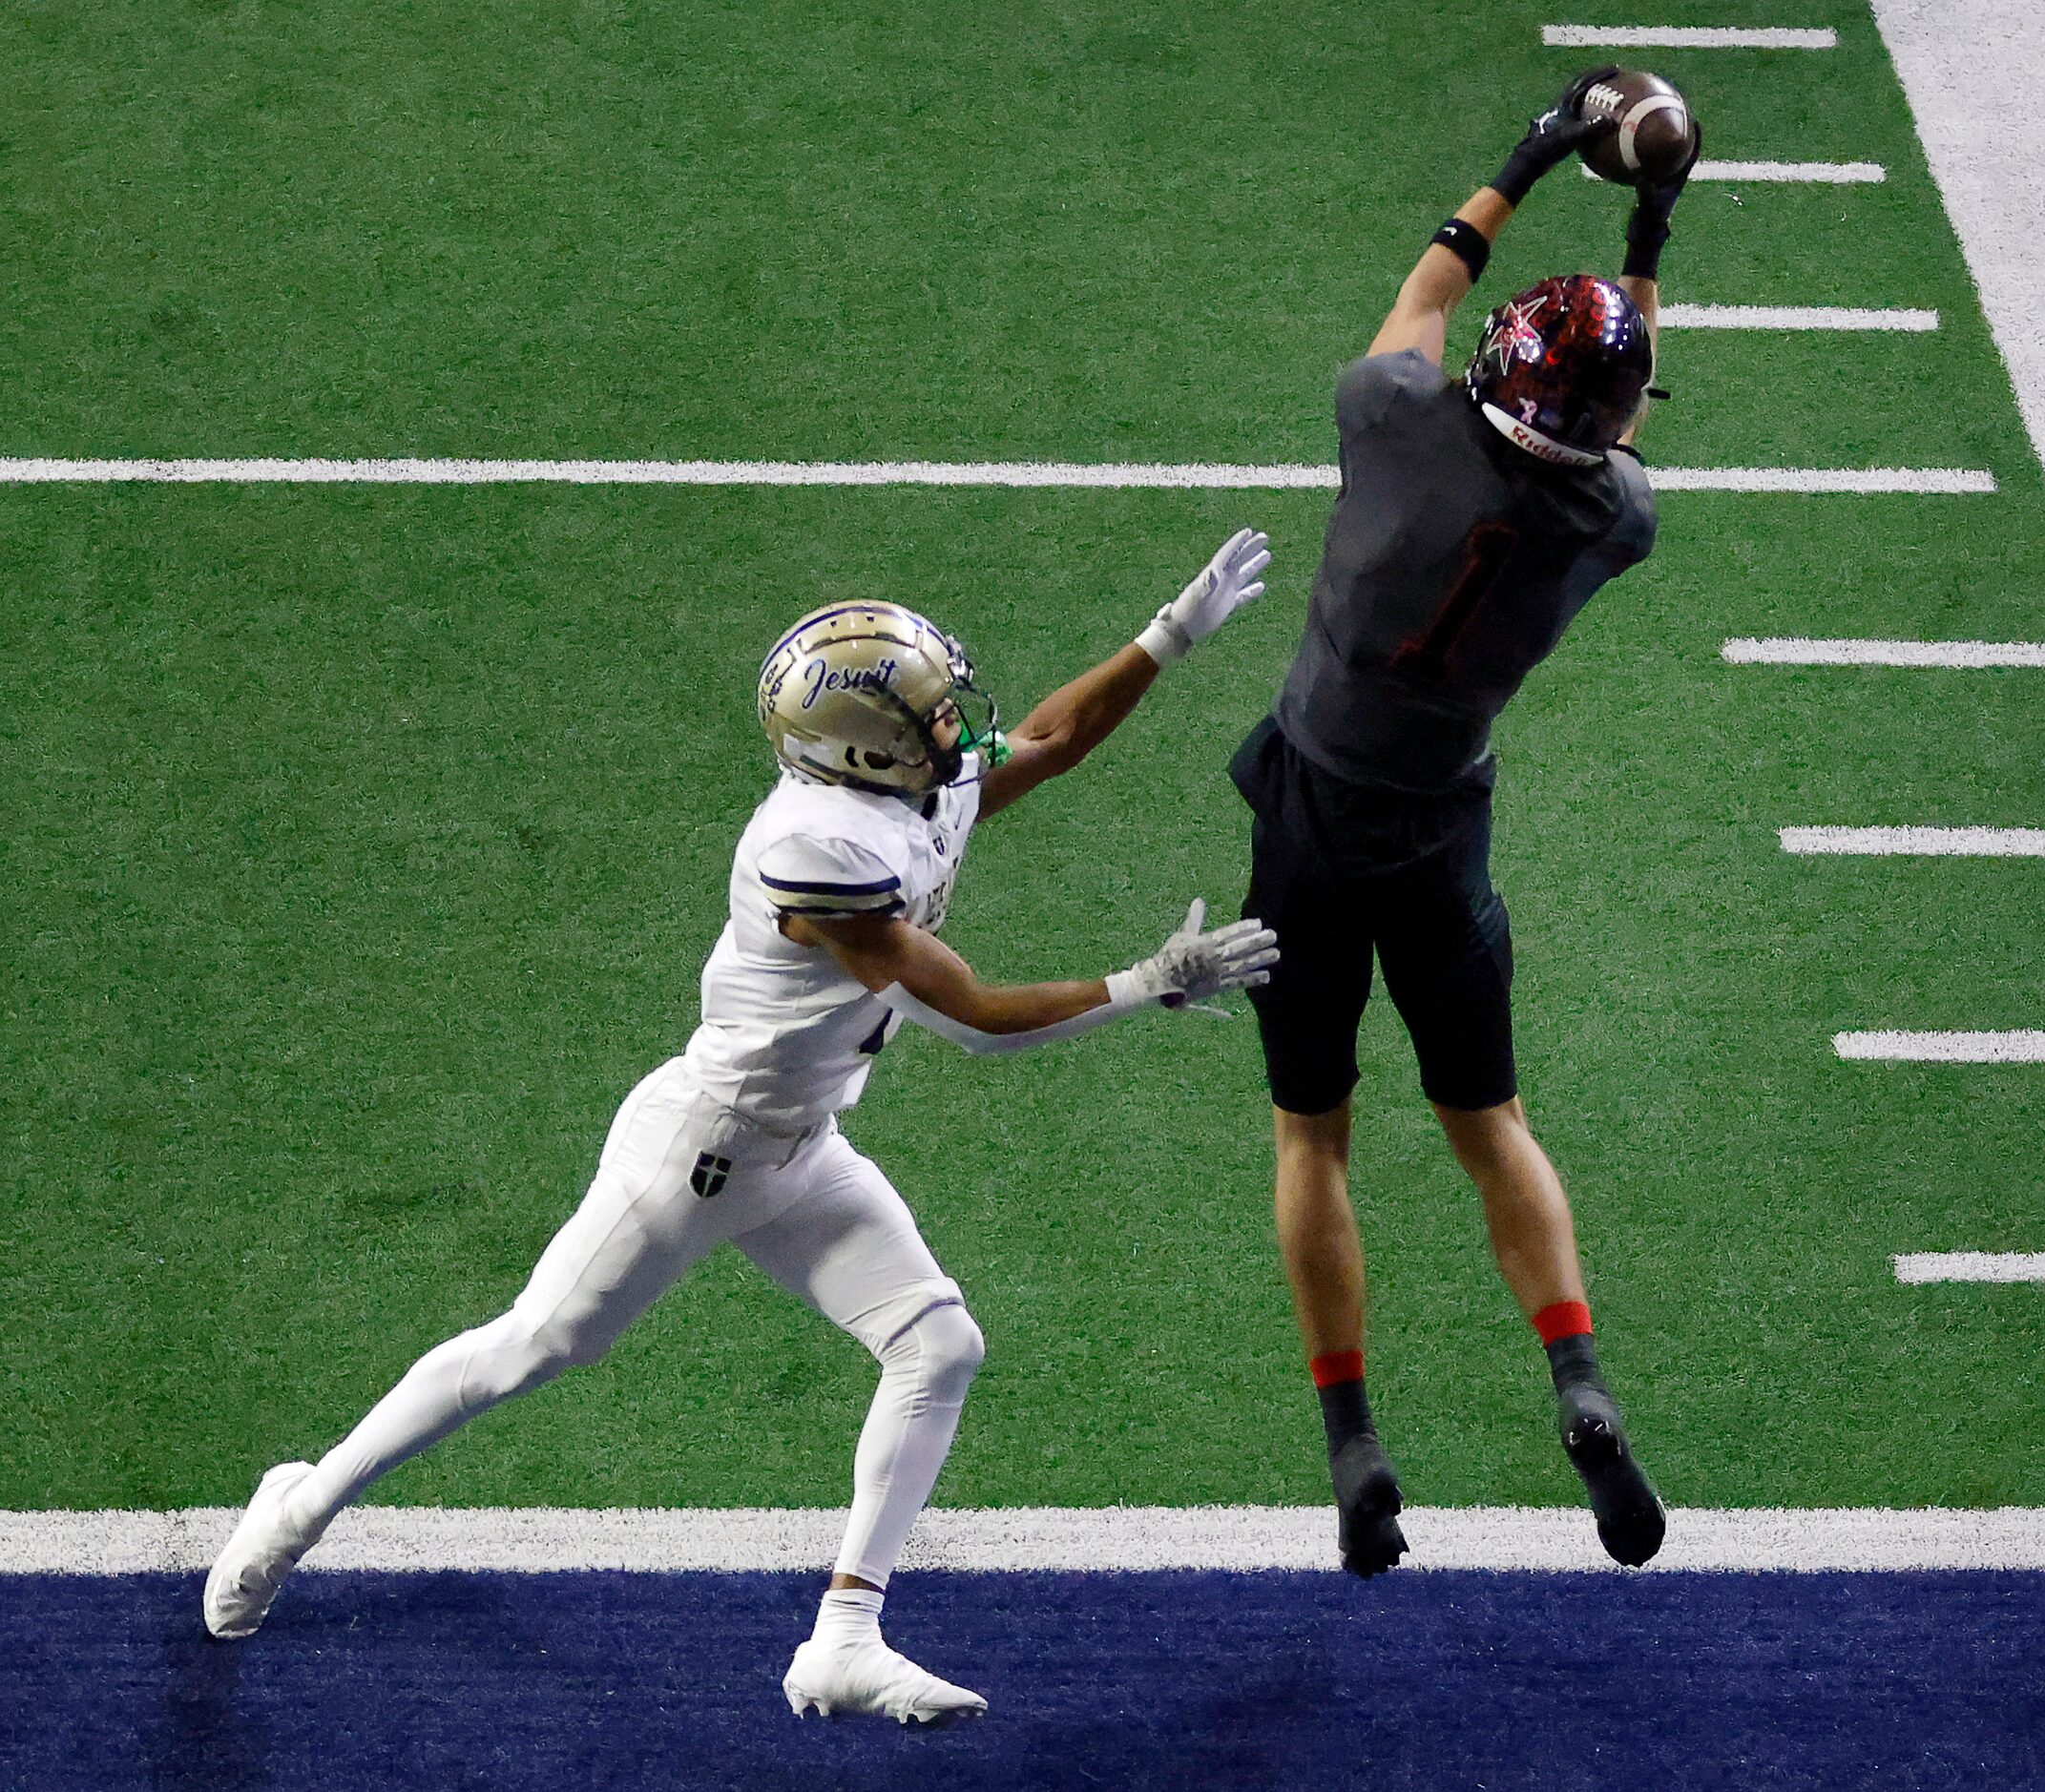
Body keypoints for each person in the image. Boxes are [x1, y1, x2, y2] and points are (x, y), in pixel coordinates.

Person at [201, 531, 1281, 1725]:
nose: (948, 729)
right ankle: (297, 1506)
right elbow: (971, 1020)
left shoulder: (888, 786)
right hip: (701, 1151)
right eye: (923, 716)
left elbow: (1046, 741)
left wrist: (1165, 639)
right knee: (533, 1347)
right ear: (863, 750)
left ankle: (843, 1636)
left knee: (938, 1346)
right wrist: (1143, 985)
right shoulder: (818, 848)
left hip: (803, 1144)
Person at [1232, 73, 1695, 1575]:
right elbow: (1615, 407)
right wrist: (1652, 219)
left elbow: (1429, 287)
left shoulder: (1391, 422)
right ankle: (1576, 1379)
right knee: (1488, 1124)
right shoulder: (1611, 521)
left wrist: (1535, 151)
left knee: (1315, 1133)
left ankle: (1355, 1435)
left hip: (1310, 816)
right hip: (1441, 837)